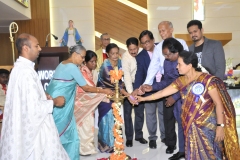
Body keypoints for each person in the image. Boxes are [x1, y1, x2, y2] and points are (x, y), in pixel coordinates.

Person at [136, 50, 240, 160]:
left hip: (208, 128)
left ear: (189, 65)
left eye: (179, 64)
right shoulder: (181, 81)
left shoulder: (207, 80)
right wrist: (143, 99)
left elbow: (219, 104)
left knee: (211, 155)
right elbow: (162, 93)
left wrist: (220, 126)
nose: (177, 67)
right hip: (189, 126)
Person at [0, 33, 70, 159]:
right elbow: (33, 108)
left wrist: (43, 95)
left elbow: (25, 99)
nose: (40, 48)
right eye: (36, 46)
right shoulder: (26, 72)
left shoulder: (19, 69)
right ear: (26, 48)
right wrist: (55, 102)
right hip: (35, 130)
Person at [46, 44, 113, 159]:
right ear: (75, 54)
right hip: (61, 105)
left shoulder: (62, 64)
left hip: (56, 102)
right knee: (62, 133)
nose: (83, 60)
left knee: (67, 133)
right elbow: (86, 87)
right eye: (82, 57)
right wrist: (103, 91)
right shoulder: (72, 67)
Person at [142, 20, 188, 154]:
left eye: (164, 30)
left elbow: (184, 79)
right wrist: (150, 85)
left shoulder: (182, 46)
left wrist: (174, 96)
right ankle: (170, 144)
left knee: (181, 119)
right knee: (167, 116)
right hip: (168, 84)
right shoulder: (166, 59)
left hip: (183, 87)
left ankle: (183, 148)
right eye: (160, 31)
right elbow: (155, 68)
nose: (161, 33)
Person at [132, 30, 164, 149]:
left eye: (147, 42)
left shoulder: (162, 48)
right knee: (150, 114)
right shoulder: (140, 56)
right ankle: (152, 138)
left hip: (162, 87)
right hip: (148, 89)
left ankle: (164, 136)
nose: (146, 45)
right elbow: (139, 73)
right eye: (143, 43)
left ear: (153, 40)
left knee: (162, 113)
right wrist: (136, 88)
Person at [74, 50, 108, 155]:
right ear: (85, 62)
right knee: (85, 126)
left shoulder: (91, 71)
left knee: (89, 126)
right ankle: (84, 149)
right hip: (82, 102)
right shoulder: (82, 72)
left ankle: (88, 147)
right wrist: (103, 92)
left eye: (95, 61)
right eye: (91, 62)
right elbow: (89, 88)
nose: (94, 64)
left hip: (88, 101)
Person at [97, 43, 129, 153]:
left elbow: (122, 79)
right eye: (112, 54)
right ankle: (107, 144)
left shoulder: (120, 62)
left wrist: (125, 88)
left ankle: (117, 142)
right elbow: (115, 84)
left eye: (117, 53)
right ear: (107, 54)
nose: (115, 56)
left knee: (117, 119)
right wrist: (126, 93)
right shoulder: (105, 66)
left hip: (117, 96)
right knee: (108, 119)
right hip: (105, 96)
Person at [122, 37, 147, 147]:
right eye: (130, 49)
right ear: (127, 48)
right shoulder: (125, 57)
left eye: (135, 48)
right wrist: (131, 93)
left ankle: (139, 136)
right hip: (129, 86)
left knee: (139, 112)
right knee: (127, 114)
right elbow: (126, 76)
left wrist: (139, 90)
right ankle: (129, 137)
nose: (133, 51)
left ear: (138, 46)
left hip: (140, 85)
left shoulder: (142, 53)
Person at [0, 69, 10, 135]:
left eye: (6, 77)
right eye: (3, 77)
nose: (5, 79)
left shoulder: (8, 87)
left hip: (7, 111)